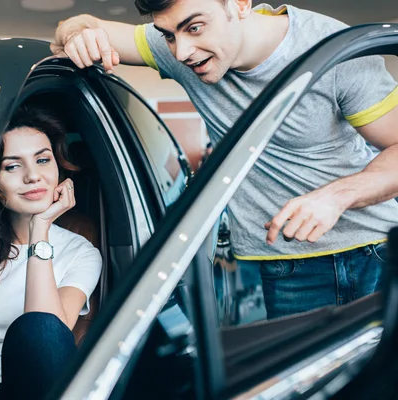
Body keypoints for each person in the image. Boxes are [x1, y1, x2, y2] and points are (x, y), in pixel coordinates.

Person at [52, 0, 398, 319]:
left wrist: (335, 196)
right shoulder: (180, 46)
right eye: (168, 35)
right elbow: (78, 25)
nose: (182, 51)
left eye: (195, 27)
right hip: (282, 264)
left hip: (372, 253)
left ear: (240, 4)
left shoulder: (333, 49)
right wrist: (75, 35)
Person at [0, 104, 102, 399]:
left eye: (43, 160)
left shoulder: (81, 252)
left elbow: (46, 345)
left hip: (36, 393)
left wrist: (41, 229)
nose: (33, 176)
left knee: (41, 328)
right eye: (12, 166)